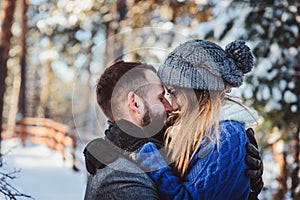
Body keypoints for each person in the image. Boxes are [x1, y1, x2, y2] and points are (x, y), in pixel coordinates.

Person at [83, 59, 263, 199]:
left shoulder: (156, 152)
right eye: (161, 98)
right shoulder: (120, 178)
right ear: (136, 103)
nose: (171, 107)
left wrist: (239, 182)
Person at [136, 39, 263, 199]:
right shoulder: (199, 130)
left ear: (198, 91)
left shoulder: (225, 137)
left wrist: (153, 159)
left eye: (173, 92)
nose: (173, 106)